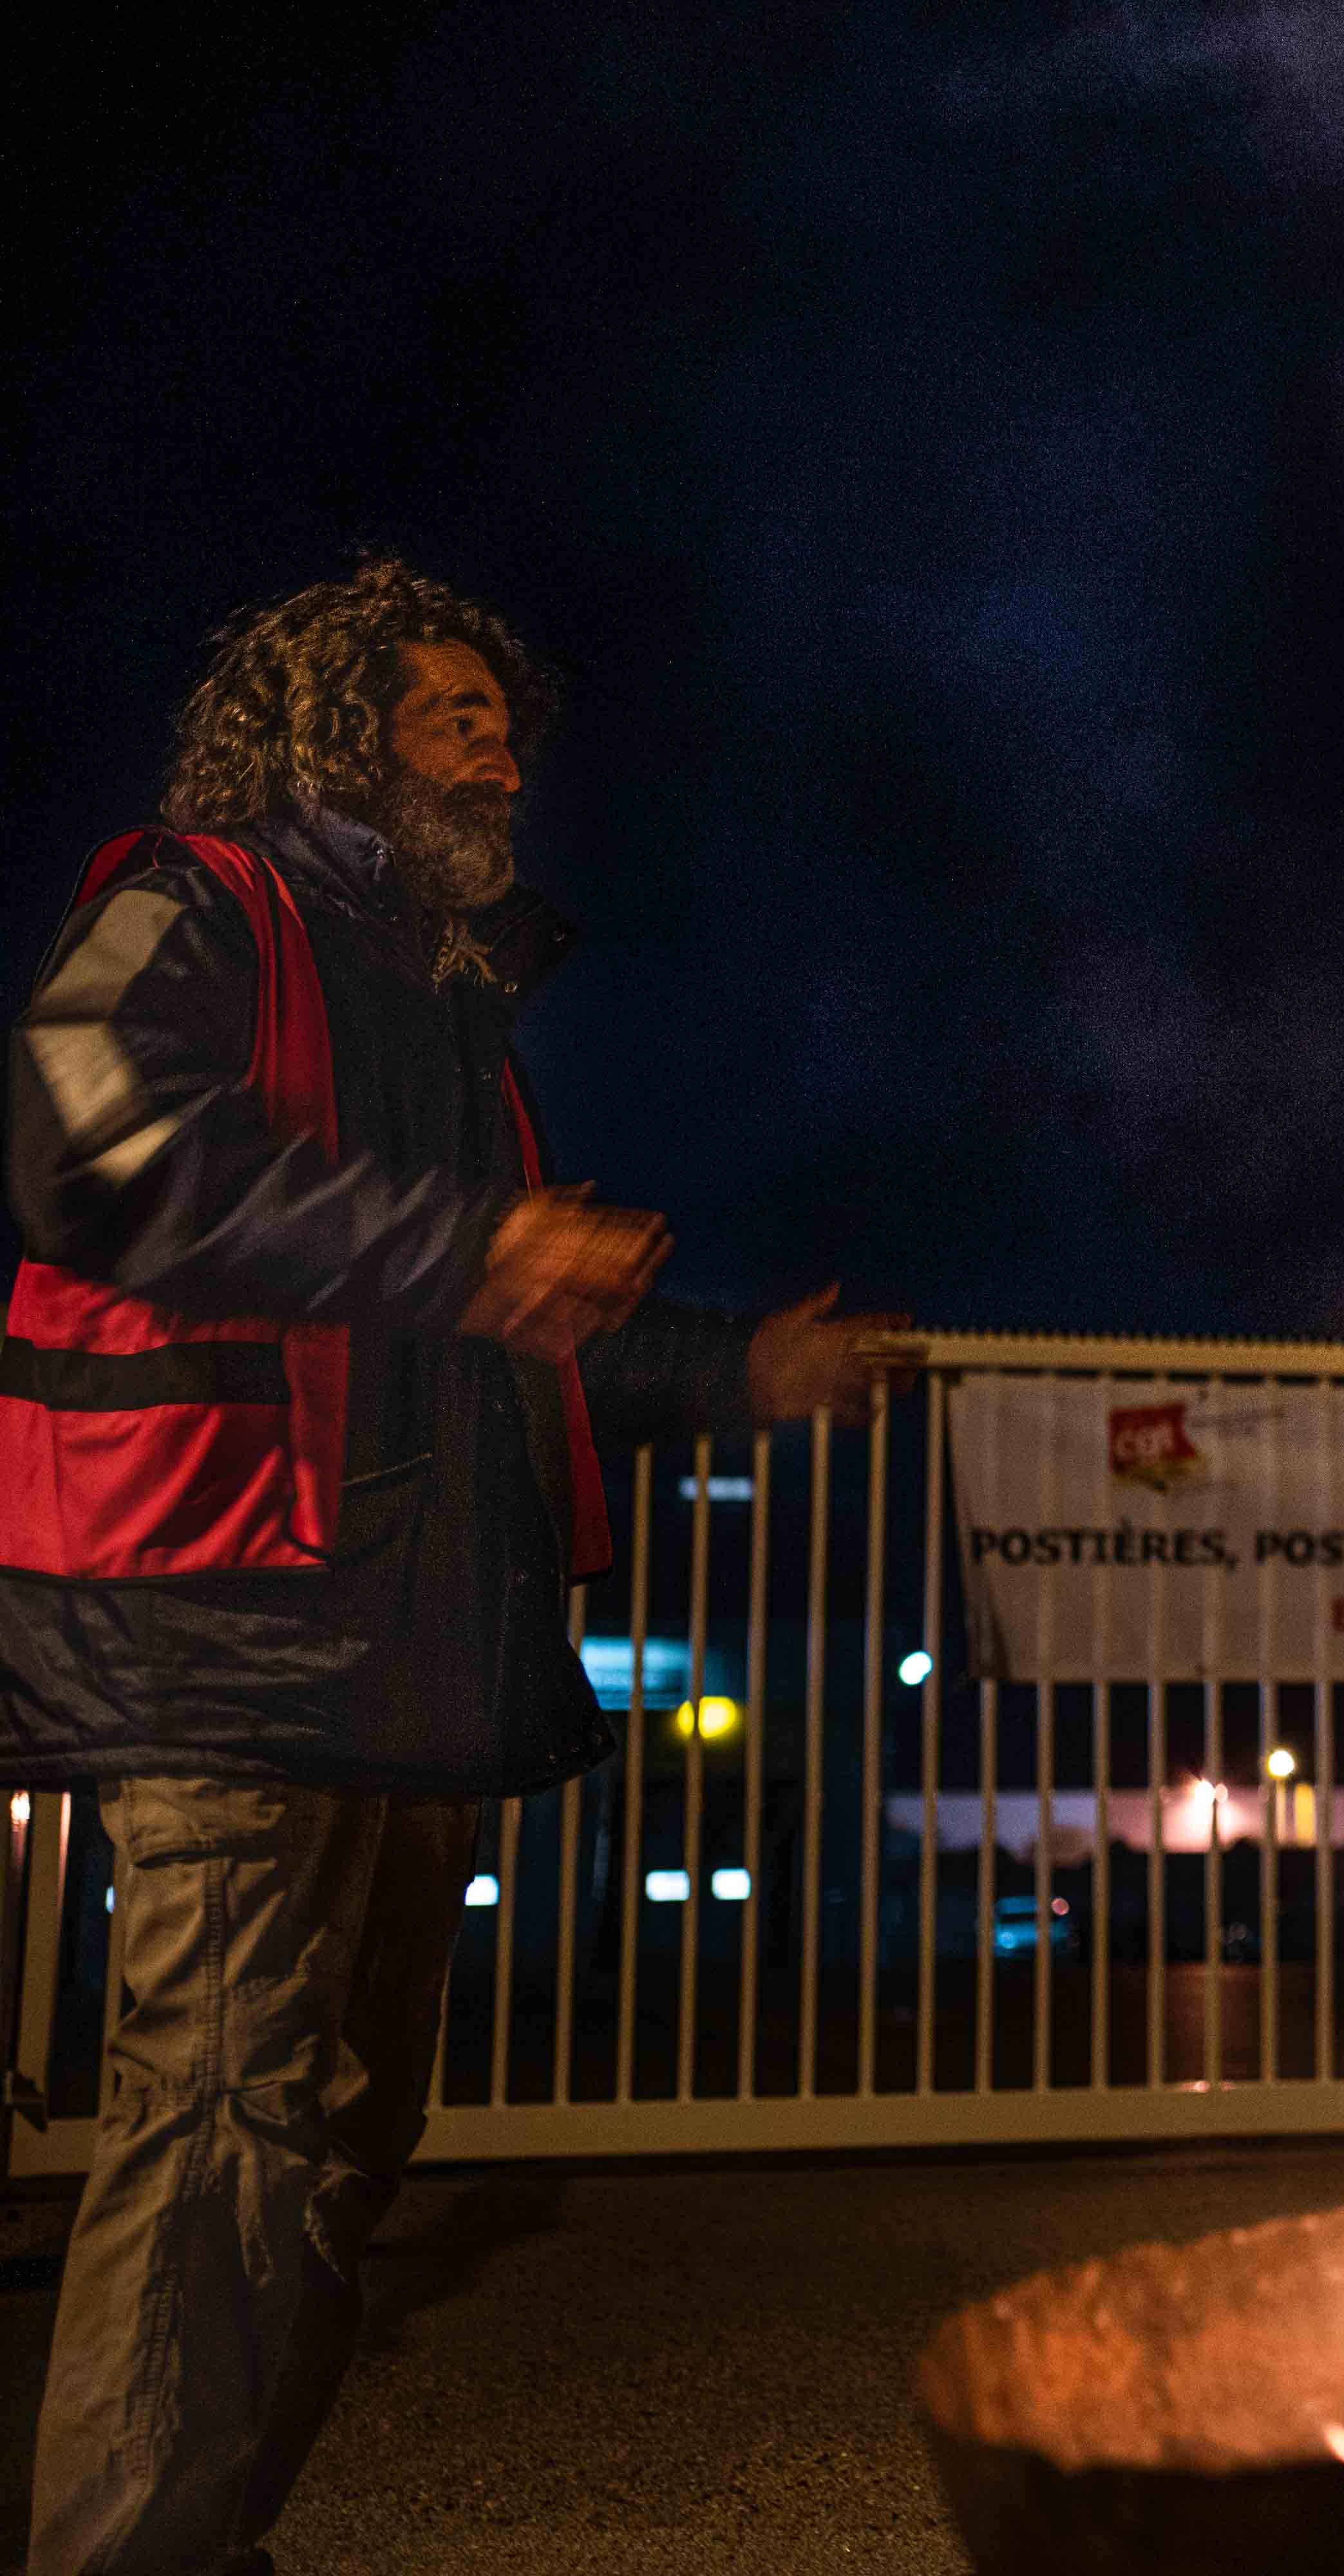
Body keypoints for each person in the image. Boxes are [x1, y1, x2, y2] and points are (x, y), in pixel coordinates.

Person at [0, 558, 907, 2576]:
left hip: (392, 1641)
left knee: (329, 2148)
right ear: (333, 733)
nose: (503, 750)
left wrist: (741, 1368)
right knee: (230, 2115)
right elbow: (78, 1139)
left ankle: (189, 2540)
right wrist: (464, 1247)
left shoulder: (442, 1013)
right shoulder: (201, 897)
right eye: (452, 715)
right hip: (225, 1608)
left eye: (508, 722)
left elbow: (499, 1321)